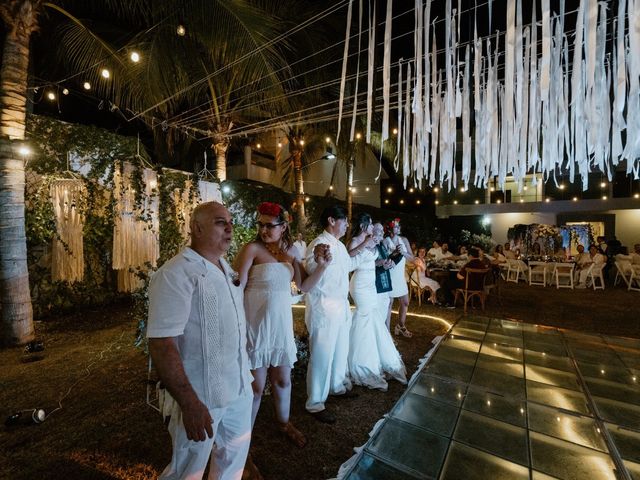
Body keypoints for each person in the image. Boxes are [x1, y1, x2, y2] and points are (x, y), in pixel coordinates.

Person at [147, 201, 253, 480]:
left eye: (230, 221)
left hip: (239, 388)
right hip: (201, 396)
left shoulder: (226, 268)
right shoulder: (175, 274)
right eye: (220, 222)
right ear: (197, 228)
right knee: (188, 470)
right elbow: (161, 343)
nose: (229, 227)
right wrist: (190, 403)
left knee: (232, 461)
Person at [234, 202, 331, 453]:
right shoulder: (251, 249)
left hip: (280, 326)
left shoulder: (291, 252)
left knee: (283, 381)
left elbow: (305, 287)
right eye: (261, 224)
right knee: (256, 387)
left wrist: (322, 266)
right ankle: (242, 440)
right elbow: (236, 288)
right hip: (254, 325)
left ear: (284, 226)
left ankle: (284, 422)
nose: (264, 229)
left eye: (270, 225)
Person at [304, 206, 371, 424]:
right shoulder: (318, 244)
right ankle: (315, 403)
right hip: (323, 308)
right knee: (322, 356)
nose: (347, 225)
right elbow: (311, 267)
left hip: (341, 307)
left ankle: (336, 385)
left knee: (341, 350)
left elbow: (348, 265)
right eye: (344, 221)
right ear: (332, 220)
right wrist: (318, 259)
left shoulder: (340, 246)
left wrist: (365, 249)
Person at [347, 215, 407, 390]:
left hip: (371, 284)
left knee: (374, 318)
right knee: (364, 316)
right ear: (363, 225)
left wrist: (387, 260)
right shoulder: (355, 241)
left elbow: (374, 260)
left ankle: (379, 357)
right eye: (372, 224)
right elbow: (349, 259)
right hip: (359, 284)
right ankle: (363, 362)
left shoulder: (370, 241)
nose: (373, 227)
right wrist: (365, 245)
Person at [383, 218, 414, 337]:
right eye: (396, 226)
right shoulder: (385, 241)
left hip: (400, 277)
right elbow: (383, 259)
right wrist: (394, 253)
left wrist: (403, 253)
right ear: (390, 228)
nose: (399, 228)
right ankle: (387, 334)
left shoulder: (404, 240)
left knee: (405, 302)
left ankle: (400, 326)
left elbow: (411, 258)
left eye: (399, 226)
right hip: (390, 275)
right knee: (389, 304)